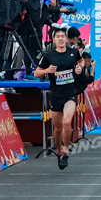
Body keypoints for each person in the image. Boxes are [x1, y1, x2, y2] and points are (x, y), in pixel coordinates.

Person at [34, 27, 83, 169]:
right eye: (58, 37)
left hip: (70, 93)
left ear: (66, 39)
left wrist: (79, 68)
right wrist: (47, 70)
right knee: (57, 129)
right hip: (55, 94)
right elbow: (37, 73)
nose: (61, 39)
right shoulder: (48, 56)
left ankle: (66, 149)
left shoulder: (73, 53)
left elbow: (81, 62)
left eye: (63, 36)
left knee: (67, 122)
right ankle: (59, 150)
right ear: (54, 40)